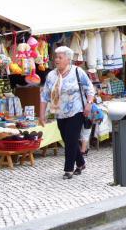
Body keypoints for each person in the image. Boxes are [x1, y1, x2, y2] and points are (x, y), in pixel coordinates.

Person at [39, 46, 95, 179]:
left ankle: (68, 169)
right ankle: (80, 163)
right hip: (59, 112)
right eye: (56, 57)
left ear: (68, 59)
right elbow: (44, 95)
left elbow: (90, 88)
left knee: (71, 139)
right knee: (67, 139)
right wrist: (41, 115)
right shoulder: (51, 75)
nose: (56, 60)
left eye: (60, 57)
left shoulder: (77, 71)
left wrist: (89, 103)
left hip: (76, 111)